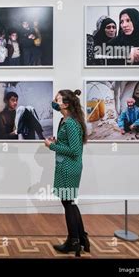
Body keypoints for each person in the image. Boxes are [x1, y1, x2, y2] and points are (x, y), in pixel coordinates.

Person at [44, 89, 88, 257]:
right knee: (69, 203)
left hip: (69, 167)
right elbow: (54, 106)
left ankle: (74, 241)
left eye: (58, 99)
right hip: (66, 166)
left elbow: (75, 150)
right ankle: (81, 239)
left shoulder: (70, 123)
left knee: (68, 203)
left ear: (67, 104)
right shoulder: (66, 119)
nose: (55, 102)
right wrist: (58, 141)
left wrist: (51, 146)